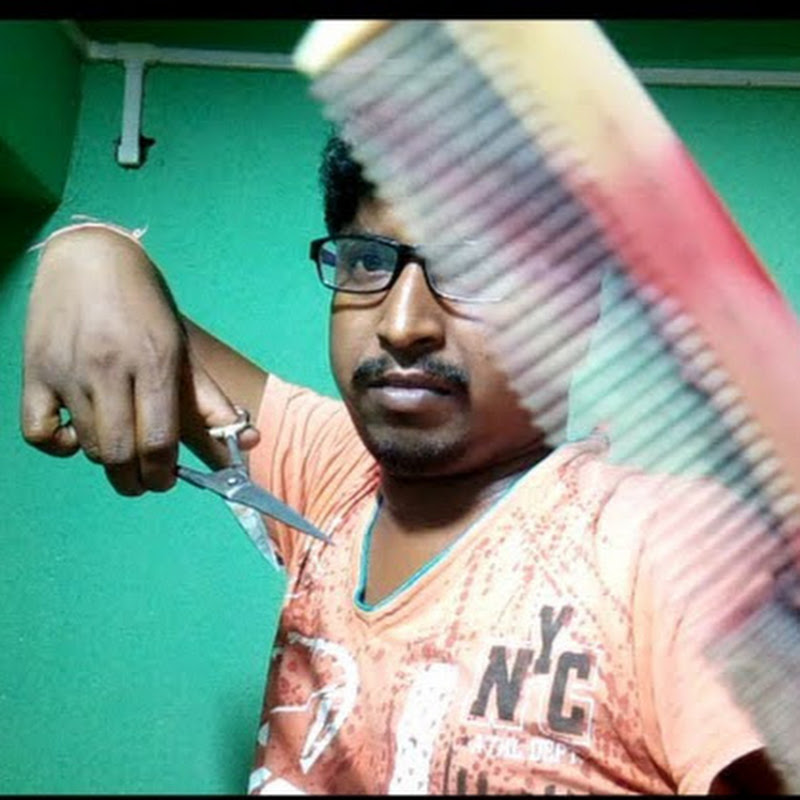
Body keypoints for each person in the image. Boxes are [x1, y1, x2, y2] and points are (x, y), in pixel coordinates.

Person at [20, 133, 791, 794]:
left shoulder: (674, 548)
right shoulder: (334, 472)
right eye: (367, 261)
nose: (401, 322)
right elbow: (138, 340)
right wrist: (89, 254)